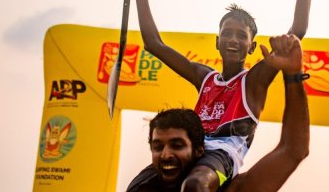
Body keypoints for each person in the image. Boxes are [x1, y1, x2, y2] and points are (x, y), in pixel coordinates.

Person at [120, 0, 329, 191]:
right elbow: (154, 44)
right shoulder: (204, 77)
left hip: (219, 158)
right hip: (188, 150)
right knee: (136, 188)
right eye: (227, 33)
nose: (233, 39)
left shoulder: (253, 80)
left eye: (241, 36)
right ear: (216, 41)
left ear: (252, 46)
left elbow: (297, 30)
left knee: (196, 185)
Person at [127, 34, 310, 192]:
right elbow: (153, 43)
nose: (167, 155)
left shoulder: (235, 187)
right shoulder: (144, 185)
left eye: (177, 145)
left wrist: (293, 74)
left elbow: (293, 149)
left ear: (199, 151)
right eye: (158, 147)